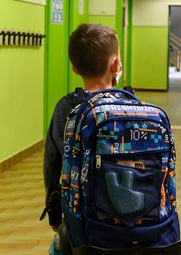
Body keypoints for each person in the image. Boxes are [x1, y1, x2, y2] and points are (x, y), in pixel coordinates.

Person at [41, 23, 123, 249]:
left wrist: (55, 213)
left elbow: (52, 164)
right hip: (138, 219)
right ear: (115, 65)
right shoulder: (131, 107)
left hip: (84, 224)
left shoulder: (66, 110)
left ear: (75, 69)